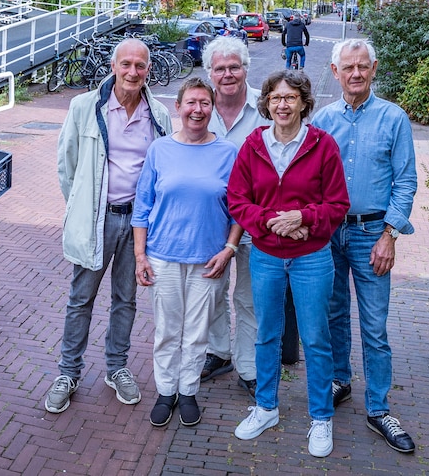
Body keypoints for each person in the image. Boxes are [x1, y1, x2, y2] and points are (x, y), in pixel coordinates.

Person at [45, 38, 173, 414]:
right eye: (127, 64)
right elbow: (66, 165)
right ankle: (68, 372)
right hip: (97, 219)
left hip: (138, 225)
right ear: (114, 66)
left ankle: (116, 368)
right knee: (80, 298)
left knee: (126, 300)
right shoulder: (85, 107)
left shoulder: (159, 115)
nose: (133, 72)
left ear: (149, 70)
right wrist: (83, 207)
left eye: (141, 65)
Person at [227, 70, 350, 458]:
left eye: (290, 98)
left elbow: (338, 204)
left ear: (303, 103)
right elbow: (236, 199)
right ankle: (266, 407)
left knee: (316, 338)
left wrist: (303, 218)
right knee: (267, 333)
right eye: (276, 98)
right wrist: (273, 224)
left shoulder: (322, 145)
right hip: (266, 255)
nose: (282, 104)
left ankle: (320, 418)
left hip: (312, 257)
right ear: (267, 103)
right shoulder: (253, 145)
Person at [311, 39, 418, 454]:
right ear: (335, 72)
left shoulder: (394, 119)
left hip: (373, 234)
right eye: (347, 68)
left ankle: (378, 408)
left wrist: (390, 234)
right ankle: (341, 379)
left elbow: (405, 181)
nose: (355, 74)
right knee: (334, 313)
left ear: (374, 69)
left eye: (362, 67)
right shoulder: (322, 120)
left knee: (374, 326)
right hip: (329, 233)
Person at [132, 77, 240, 427]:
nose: (197, 110)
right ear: (178, 107)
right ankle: (166, 391)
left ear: (213, 108)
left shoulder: (227, 152)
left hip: (208, 259)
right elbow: (142, 206)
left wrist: (228, 249)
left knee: (197, 332)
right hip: (163, 255)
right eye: (191, 103)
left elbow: (240, 209)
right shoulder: (159, 150)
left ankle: (189, 390)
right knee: (167, 329)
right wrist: (140, 256)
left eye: (204, 103)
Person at [199, 36, 270, 397]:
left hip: (256, 221)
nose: (227, 74)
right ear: (209, 72)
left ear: (245, 68)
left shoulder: (266, 108)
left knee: (249, 296)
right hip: (211, 220)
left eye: (234, 66)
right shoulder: (199, 108)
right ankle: (218, 351)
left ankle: (249, 366)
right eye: (220, 68)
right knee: (211, 290)